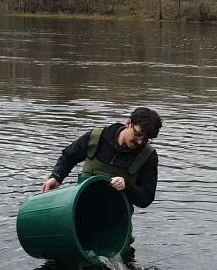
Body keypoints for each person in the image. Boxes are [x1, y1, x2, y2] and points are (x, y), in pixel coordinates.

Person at [41, 107, 162, 260]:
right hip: (75, 219)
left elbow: (146, 198)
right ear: (128, 123)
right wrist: (56, 177)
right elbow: (68, 156)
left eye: (146, 139)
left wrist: (127, 186)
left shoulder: (148, 157)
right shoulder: (97, 138)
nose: (140, 141)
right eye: (138, 134)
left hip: (115, 232)